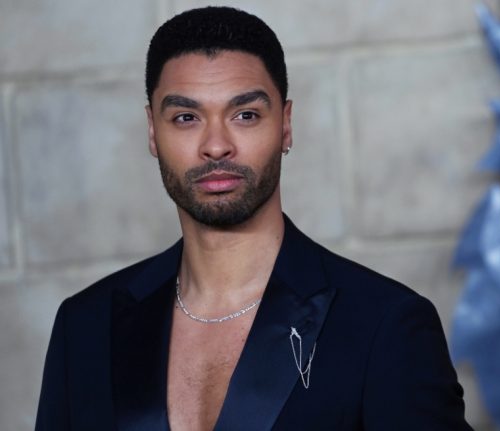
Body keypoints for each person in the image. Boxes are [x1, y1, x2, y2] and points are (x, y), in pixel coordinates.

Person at [35, 6, 472, 431]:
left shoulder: (384, 324)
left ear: (285, 125)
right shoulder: (86, 326)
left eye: (245, 115)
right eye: (186, 117)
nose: (216, 146)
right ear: (153, 130)